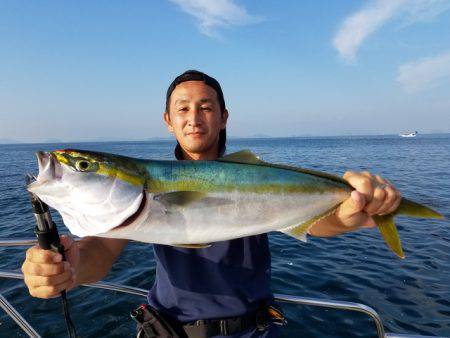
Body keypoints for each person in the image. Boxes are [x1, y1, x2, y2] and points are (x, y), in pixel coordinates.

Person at [21, 70, 402, 337]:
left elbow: (315, 223)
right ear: (169, 121)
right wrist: (69, 269)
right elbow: (101, 249)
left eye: (205, 107)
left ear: (223, 117)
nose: (194, 118)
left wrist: (349, 213)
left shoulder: (255, 175)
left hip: (254, 331)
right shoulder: (135, 205)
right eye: (183, 108)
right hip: (168, 330)